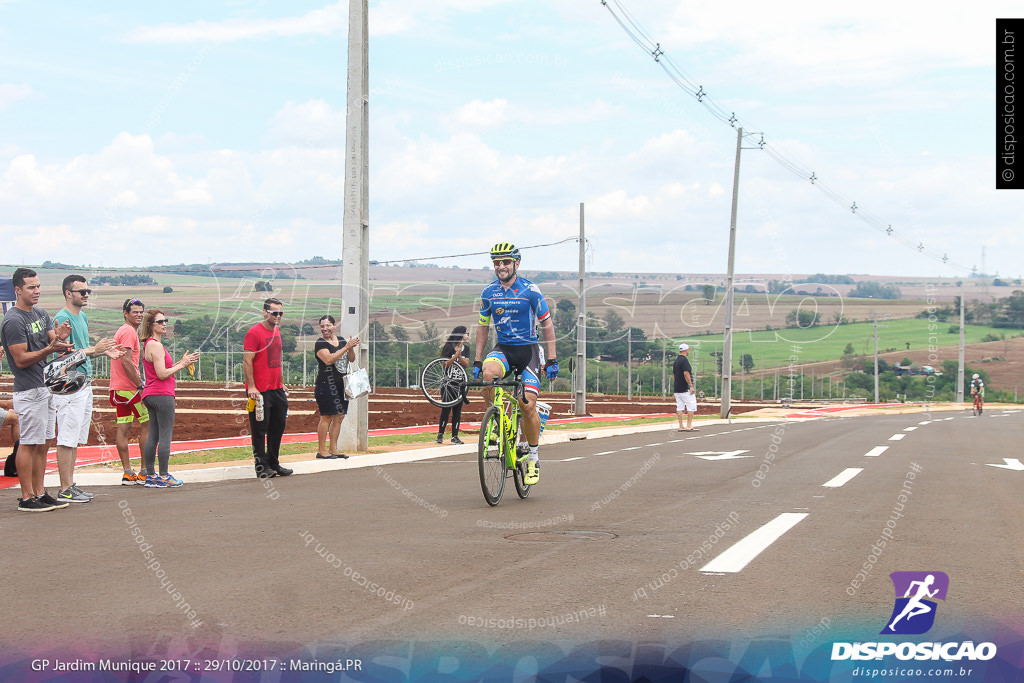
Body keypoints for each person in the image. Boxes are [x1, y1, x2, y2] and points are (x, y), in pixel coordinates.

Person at [473, 242, 557, 486]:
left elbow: (547, 325)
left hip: (528, 352)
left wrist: (551, 358)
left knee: (527, 405)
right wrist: (478, 360)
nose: (501, 266)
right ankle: (495, 424)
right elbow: (482, 327)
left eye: (506, 262)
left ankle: (533, 456)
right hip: (503, 350)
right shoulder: (489, 292)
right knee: (488, 375)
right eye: (497, 262)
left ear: (516, 264)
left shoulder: (531, 290)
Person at [1, 267, 73, 511]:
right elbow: (20, 359)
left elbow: (55, 342)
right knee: (28, 443)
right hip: (28, 389)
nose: (37, 291)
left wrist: (61, 340)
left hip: (44, 388)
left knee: (43, 442)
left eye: (38, 286)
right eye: (31, 287)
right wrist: (50, 349)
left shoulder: (40, 314)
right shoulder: (13, 321)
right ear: (18, 290)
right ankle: (26, 496)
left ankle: (40, 492)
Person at [51, 275, 123, 503]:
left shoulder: (81, 316)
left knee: (75, 437)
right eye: (81, 291)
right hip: (69, 384)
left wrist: (103, 351)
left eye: (87, 291)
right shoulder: (62, 318)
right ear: (68, 293)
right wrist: (95, 349)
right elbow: (65, 355)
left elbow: (83, 350)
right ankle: (65, 487)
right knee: (67, 437)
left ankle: (70, 484)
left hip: (83, 381)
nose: (86, 294)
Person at [140, 309, 199, 488]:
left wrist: (180, 363)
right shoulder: (156, 346)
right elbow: (162, 374)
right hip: (162, 394)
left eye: (165, 320)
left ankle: (151, 475)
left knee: (153, 435)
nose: (164, 324)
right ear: (151, 325)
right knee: (165, 435)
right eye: (160, 321)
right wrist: (182, 364)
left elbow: (161, 371)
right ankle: (164, 475)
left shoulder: (149, 344)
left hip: (151, 393)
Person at [243, 298, 292, 478]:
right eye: (274, 313)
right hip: (259, 391)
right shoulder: (254, 333)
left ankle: (274, 462)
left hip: (276, 388)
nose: (278, 316)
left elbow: (275, 361)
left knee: (277, 427)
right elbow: (247, 362)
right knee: (259, 429)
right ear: (265, 312)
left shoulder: (277, 331)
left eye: (280, 313)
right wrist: (252, 387)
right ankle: (261, 467)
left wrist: (281, 382)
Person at [109, 298, 151, 485]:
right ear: (125, 313)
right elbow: (127, 361)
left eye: (141, 312)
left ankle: (127, 471)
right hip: (130, 389)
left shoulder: (122, 330)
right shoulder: (129, 332)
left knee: (123, 427)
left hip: (117, 389)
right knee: (148, 424)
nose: (139, 315)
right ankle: (144, 471)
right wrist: (140, 385)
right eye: (134, 312)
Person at [313, 314, 358, 459]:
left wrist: (350, 347)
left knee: (339, 416)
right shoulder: (320, 344)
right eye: (322, 326)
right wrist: (346, 347)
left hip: (341, 385)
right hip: (326, 384)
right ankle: (321, 449)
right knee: (326, 416)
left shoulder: (342, 341)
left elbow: (351, 359)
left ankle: (334, 448)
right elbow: (329, 359)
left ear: (334, 326)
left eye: (327, 325)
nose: (325, 329)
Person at [437, 325, 470, 445]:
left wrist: (459, 356)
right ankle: (440, 434)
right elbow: (444, 364)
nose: (468, 335)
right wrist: (454, 356)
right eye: (467, 333)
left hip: (460, 383)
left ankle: (454, 436)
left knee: (457, 410)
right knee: (446, 409)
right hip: (448, 383)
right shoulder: (449, 347)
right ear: (461, 334)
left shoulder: (466, 349)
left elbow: (466, 364)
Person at [673, 343, 698, 431]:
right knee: (691, 405)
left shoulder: (676, 361)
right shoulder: (684, 360)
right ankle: (689, 425)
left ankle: (680, 425)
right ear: (686, 350)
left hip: (677, 388)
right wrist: (690, 386)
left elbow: (674, 375)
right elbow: (686, 373)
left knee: (679, 407)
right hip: (685, 388)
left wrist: (676, 383)